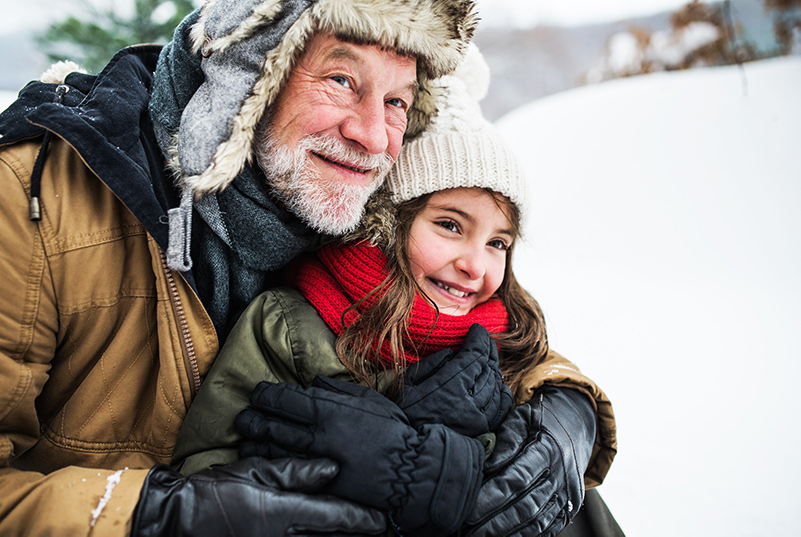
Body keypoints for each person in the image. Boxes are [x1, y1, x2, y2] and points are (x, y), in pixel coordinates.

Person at [0, 1, 482, 535]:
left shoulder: (359, 210)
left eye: (396, 101)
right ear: (251, 75)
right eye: (342, 80)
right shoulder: (31, 202)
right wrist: (158, 516)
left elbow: (490, 311)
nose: (371, 136)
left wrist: (562, 418)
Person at [171, 55, 618, 536]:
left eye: (498, 243)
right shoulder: (292, 325)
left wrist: (569, 414)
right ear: (389, 224)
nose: (475, 265)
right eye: (450, 225)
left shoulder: (506, 337)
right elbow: (208, 471)